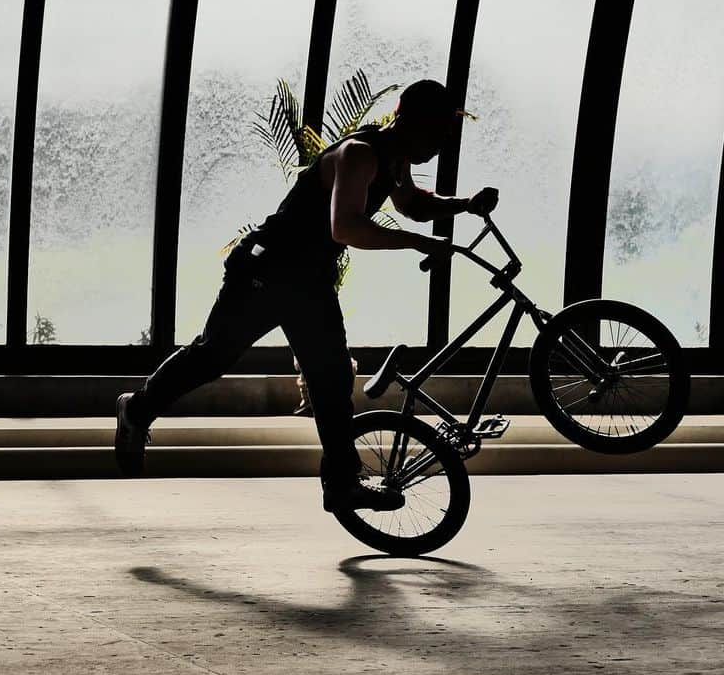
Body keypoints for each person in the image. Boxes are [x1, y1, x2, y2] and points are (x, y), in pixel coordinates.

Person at [115, 79, 498, 512]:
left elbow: (411, 204)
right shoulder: (359, 154)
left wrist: (463, 204)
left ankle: (341, 485)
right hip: (265, 268)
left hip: (307, 279)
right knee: (213, 356)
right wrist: (414, 243)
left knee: (331, 377)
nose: (442, 144)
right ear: (410, 120)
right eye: (439, 133)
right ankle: (138, 408)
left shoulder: (394, 159)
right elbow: (346, 228)